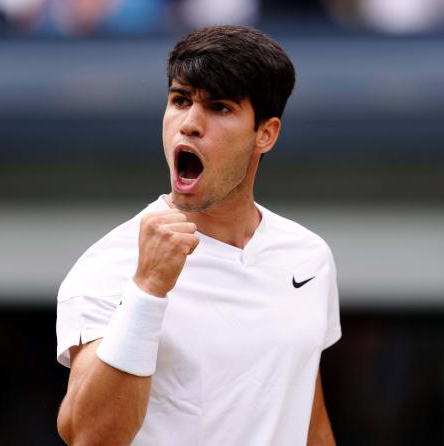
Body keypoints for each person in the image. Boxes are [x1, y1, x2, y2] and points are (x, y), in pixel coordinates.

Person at [56, 25, 341, 446]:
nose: (189, 123)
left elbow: (307, 419)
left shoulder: (308, 256)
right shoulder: (109, 265)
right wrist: (148, 289)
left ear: (266, 133)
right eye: (180, 100)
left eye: (219, 107)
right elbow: (89, 435)